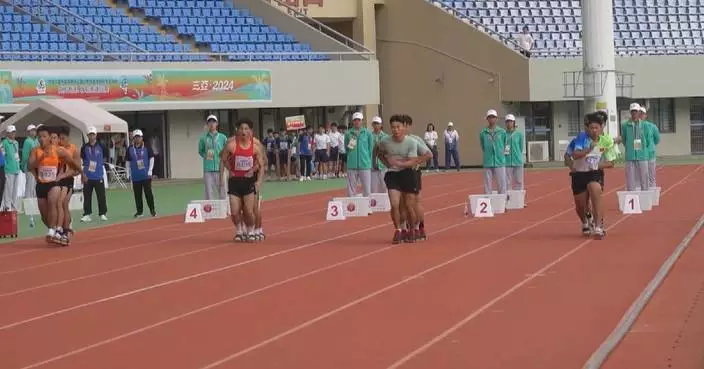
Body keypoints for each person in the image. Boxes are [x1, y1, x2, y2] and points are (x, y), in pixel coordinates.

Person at [374, 114, 432, 244]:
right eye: (393, 127)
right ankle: (401, 230)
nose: (397, 129)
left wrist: (414, 161)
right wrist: (384, 162)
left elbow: (428, 154)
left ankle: (418, 227)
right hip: (394, 174)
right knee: (397, 205)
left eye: (401, 126)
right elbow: (378, 149)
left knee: (412, 204)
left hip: (412, 172)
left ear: (407, 127)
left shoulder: (414, 140)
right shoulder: (386, 141)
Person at [567, 112, 617, 239]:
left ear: (602, 128)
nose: (594, 130)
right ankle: (585, 221)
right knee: (581, 205)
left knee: (596, 191)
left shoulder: (607, 141)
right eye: (591, 128)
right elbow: (574, 154)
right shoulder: (582, 138)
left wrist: (596, 166)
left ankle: (599, 226)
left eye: (596, 128)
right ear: (587, 128)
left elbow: (611, 163)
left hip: (595, 173)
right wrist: (588, 150)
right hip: (579, 174)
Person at [28, 126, 79, 245]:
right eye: (39, 137)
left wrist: (80, 173)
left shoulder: (65, 150)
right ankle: (56, 228)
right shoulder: (39, 150)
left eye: (60, 138)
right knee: (45, 216)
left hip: (62, 182)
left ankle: (61, 230)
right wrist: (37, 173)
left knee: (60, 203)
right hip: (44, 183)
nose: (59, 140)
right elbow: (30, 166)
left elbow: (73, 165)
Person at [220, 118, 265, 242]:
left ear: (251, 131)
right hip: (235, 180)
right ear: (237, 130)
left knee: (250, 210)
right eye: (241, 129)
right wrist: (229, 171)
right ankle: (240, 230)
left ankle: (256, 229)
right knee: (235, 211)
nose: (244, 131)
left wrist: (258, 181)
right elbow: (223, 159)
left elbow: (262, 163)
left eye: (246, 129)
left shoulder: (256, 145)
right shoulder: (231, 144)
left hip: (250, 180)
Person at [56, 126, 81, 242]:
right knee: (59, 204)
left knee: (64, 202)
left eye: (63, 138)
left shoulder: (73, 149)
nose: (61, 141)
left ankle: (65, 229)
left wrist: (65, 174)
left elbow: (77, 169)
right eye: (59, 138)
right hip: (57, 181)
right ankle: (63, 227)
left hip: (68, 180)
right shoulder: (57, 149)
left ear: (68, 138)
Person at [617, 103, 650, 191]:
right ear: (630, 112)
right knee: (630, 179)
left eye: (636, 111)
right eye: (632, 111)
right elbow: (624, 139)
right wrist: (630, 147)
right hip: (630, 155)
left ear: (639, 112)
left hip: (642, 155)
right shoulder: (625, 125)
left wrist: (642, 148)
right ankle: (631, 195)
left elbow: (648, 140)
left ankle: (645, 196)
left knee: (644, 178)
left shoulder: (645, 125)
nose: (634, 113)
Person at [80, 126, 108, 222]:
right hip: (87, 176)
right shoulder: (84, 147)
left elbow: (105, 158)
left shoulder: (102, 146)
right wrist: (83, 174)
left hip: (98, 175)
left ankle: (103, 213)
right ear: (87, 135)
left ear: (96, 135)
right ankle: (87, 214)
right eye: (90, 134)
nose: (91, 136)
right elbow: (82, 161)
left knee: (101, 196)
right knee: (87, 196)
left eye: (93, 134)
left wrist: (100, 167)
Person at [126, 129, 157, 218]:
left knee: (148, 193)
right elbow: (128, 162)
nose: (137, 139)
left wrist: (150, 170)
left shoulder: (147, 147)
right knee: (137, 195)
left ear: (142, 137)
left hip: (146, 175)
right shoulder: (130, 149)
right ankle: (139, 211)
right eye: (136, 137)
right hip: (135, 176)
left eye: (139, 137)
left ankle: (152, 210)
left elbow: (151, 158)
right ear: (133, 138)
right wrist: (128, 173)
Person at [479, 109, 508, 194]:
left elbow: (505, 145)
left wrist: (502, 156)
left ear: (496, 119)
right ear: (487, 119)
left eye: (493, 117)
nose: (491, 119)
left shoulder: (502, 132)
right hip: (488, 161)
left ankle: (503, 202)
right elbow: (482, 146)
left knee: (502, 183)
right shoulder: (483, 132)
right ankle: (488, 202)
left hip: (500, 161)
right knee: (487, 184)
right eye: (490, 117)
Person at [198, 114, 228, 200]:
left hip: (220, 168)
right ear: (207, 124)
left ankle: (224, 210)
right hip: (208, 169)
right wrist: (207, 156)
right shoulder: (203, 138)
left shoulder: (222, 137)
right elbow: (201, 151)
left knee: (223, 191)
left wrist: (222, 159)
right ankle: (209, 211)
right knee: (208, 193)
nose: (212, 124)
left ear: (217, 123)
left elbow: (227, 150)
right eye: (210, 122)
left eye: (213, 122)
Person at [344, 112, 373, 197]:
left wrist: (368, 161)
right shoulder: (348, 133)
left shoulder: (367, 133)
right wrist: (354, 138)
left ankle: (367, 208)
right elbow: (347, 148)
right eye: (355, 120)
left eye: (359, 120)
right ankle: (352, 208)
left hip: (365, 165)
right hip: (352, 165)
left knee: (367, 188)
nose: (357, 122)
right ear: (352, 121)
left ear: (362, 121)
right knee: (351, 189)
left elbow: (370, 149)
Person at [21, 124, 39, 227]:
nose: (33, 132)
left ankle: (33, 207)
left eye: (34, 130)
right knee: (29, 188)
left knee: (34, 188)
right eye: (31, 130)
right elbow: (24, 156)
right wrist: (25, 166)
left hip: (36, 168)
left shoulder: (35, 141)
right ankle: (29, 209)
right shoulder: (28, 141)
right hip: (30, 168)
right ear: (28, 132)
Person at [640, 106, 660, 189]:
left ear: (645, 115)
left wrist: (650, 147)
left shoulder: (652, 126)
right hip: (639, 156)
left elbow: (657, 139)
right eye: (639, 113)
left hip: (650, 154)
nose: (640, 115)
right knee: (641, 178)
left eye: (642, 114)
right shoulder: (634, 126)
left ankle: (652, 196)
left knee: (651, 176)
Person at [504, 114, 525, 191]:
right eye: (507, 121)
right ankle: (508, 200)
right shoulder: (503, 134)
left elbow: (521, 147)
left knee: (519, 181)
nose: (509, 123)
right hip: (507, 161)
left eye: (510, 121)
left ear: (514, 122)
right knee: (507, 182)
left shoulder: (519, 134)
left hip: (517, 161)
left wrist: (517, 155)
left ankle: (519, 200)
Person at [2, 125, 20, 210]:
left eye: (14, 132)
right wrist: (6, 166)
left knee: (15, 189)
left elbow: (17, 156)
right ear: (7, 133)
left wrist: (18, 166)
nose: (14, 133)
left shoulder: (16, 142)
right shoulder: (4, 143)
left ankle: (14, 206)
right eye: (12, 132)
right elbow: (3, 156)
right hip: (8, 169)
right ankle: (7, 206)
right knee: (8, 189)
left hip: (16, 168)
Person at [369, 116, 388, 193]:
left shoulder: (386, 137)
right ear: (372, 125)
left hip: (383, 165)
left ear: (381, 125)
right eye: (374, 123)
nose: (376, 125)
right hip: (372, 166)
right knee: (373, 188)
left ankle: (386, 204)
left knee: (385, 186)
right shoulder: (369, 136)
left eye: (378, 123)